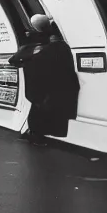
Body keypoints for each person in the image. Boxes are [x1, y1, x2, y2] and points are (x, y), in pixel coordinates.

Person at [8, 14, 80, 146]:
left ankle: (35, 134)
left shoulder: (33, 45)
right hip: (56, 84)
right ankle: (38, 134)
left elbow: (15, 60)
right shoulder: (60, 45)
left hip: (38, 84)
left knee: (38, 108)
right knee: (46, 109)